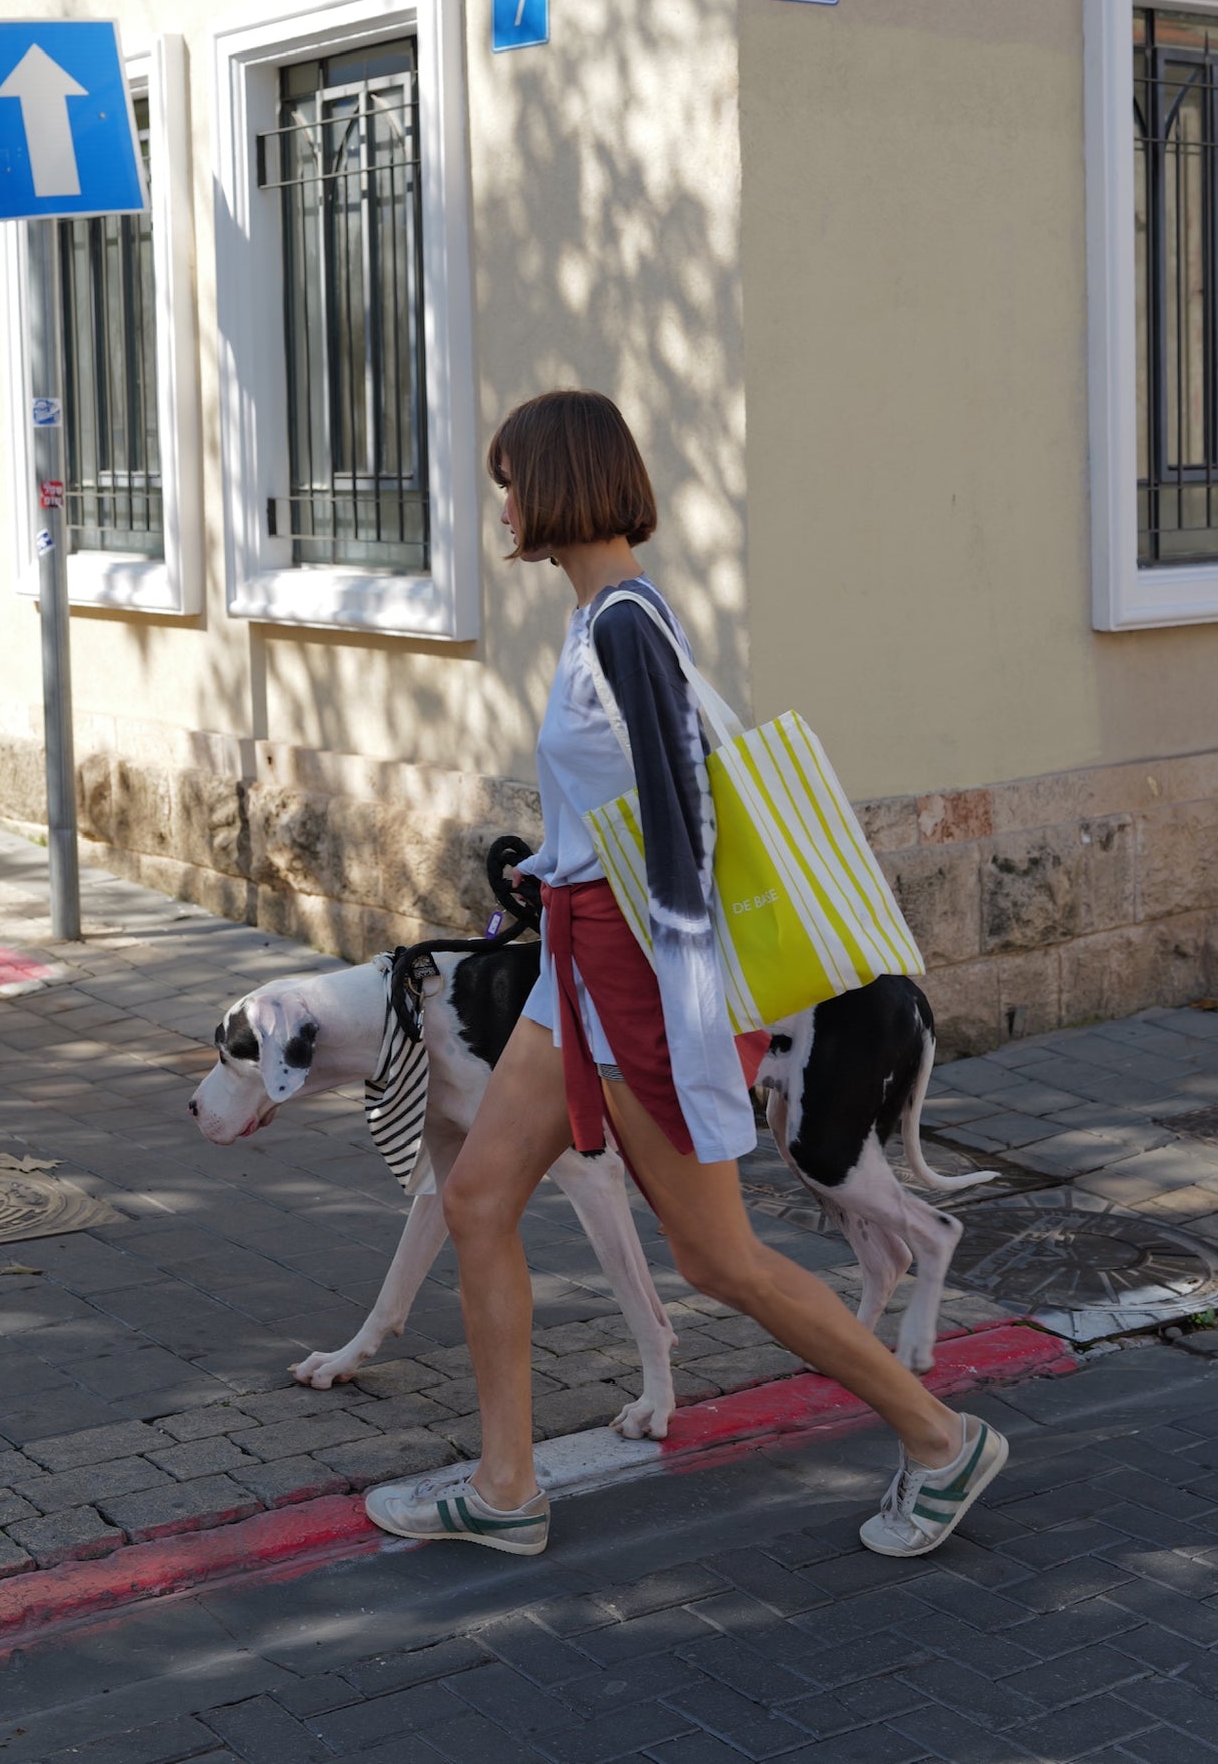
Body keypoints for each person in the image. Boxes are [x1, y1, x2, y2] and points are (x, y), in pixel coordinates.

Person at [365, 389, 1007, 1559]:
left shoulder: (623, 626)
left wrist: (686, 1006)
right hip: (575, 964)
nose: (500, 504)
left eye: (511, 479)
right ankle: (506, 1488)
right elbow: (615, 807)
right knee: (475, 1197)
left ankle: (940, 1438)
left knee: (721, 1259)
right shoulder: (598, 619)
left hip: (634, 978)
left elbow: (684, 822)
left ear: (557, 483)